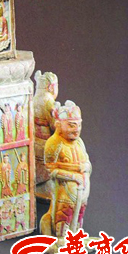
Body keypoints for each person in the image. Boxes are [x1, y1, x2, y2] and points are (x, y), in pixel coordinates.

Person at [40, 100, 91, 240]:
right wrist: (73, 177)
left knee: (79, 214)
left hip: (83, 189)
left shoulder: (79, 142)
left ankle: (77, 238)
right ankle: (61, 239)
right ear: (59, 125)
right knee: (64, 214)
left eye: (79, 125)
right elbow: (50, 170)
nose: (77, 130)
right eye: (72, 125)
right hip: (65, 190)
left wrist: (86, 167)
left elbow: (87, 162)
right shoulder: (54, 143)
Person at [33, 71, 58, 198]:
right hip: (45, 143)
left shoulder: (34, 98)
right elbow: (54, 126)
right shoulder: (48, 101)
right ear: (51, 87)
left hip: (34, 141)